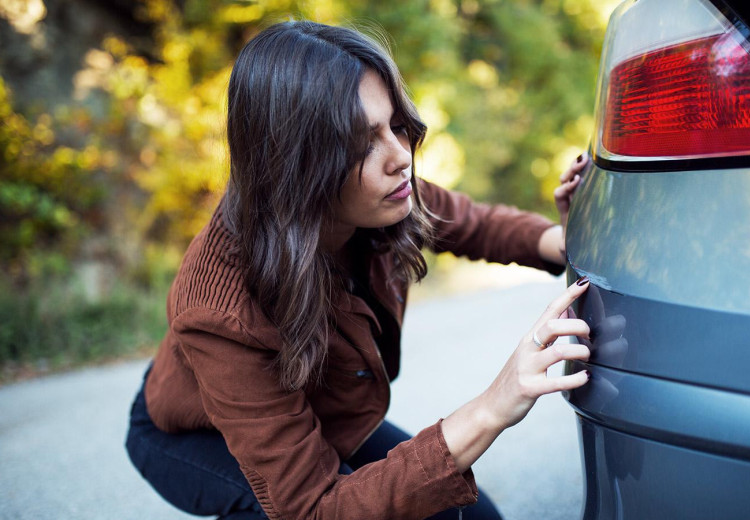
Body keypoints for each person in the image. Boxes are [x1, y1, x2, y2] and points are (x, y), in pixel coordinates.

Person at [125, 20, 591, 520]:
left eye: (395, 126)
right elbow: (311, 507)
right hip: (195, 435)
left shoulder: (379, 196)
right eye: (360, 142)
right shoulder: (219, 310)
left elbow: (473, 223)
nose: (400, 158)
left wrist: (566, 240)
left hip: (320, 417)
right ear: (296, 164)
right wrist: (490, 408)